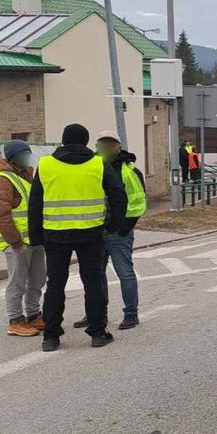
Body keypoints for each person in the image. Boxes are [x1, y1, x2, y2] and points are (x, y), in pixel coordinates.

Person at [29, 123, 127, 352]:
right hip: (90, 233)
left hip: (54, 235)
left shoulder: (45, 164)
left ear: (63, 140)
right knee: (93, 284)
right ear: (85, 141)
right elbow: (118, 195)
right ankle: (98, 332)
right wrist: (112, 225)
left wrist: (36, 236)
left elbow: (35, 204)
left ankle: (51, 337)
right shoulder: (98, 163)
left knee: (55, 286)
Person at [71, 131, 145, 331]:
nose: (105, 148)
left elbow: (138, 202)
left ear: (117, 147)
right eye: (102, 144)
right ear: (96, 145)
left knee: (124, 273)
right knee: (95, 275)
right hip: (95, 230)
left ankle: (131, 313)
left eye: (110, 144)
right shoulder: (91, 166)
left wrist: (125, 227)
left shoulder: (128, 170)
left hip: (118, 232)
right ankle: (95, 313)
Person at [0, 140, 46, 337]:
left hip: (34, 239)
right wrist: (15, 242)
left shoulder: (25, 174)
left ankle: (33, 314)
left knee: (37, 279)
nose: (27, 157)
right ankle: (15, 320)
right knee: (17, 282)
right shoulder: (0, 179)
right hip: (17, 243)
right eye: (23, 154)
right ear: (12, 157)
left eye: (28, 153)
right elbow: (0, 215)